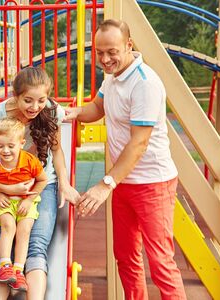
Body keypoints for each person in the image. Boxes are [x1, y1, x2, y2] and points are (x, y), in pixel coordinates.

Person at [65, 19, 186, 299]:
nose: (105, 59)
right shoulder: (114, 76)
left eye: (112, 52)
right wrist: (71, 113)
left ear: (128, 45)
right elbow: (97, 106)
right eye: (100, 53)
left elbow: (138, 143)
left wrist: (105, 184)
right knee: (126, 257)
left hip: (152, 183)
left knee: (160, 263)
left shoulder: (145, 83)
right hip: (124, 182)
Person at [0, 66, 80, 299]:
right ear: (15, 96)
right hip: (5, 186)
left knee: (36, 246)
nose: (35, 107)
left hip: (42, 185)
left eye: (41, 100)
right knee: (1, 251)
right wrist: (3, 189)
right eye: (28, 100)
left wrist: (64, 183)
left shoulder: (51, 112)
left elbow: (57, 152)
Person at [0, 117, 48, 292]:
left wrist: (29, 200)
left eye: (10, 146)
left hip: (26, 200)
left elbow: (42, 180)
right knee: (8, 227)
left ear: (21, 143)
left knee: (24, 229)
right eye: (0, 146)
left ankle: (18, 270)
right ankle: (5, 266)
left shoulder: (29, 161)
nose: (5, 151)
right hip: (4, 199)